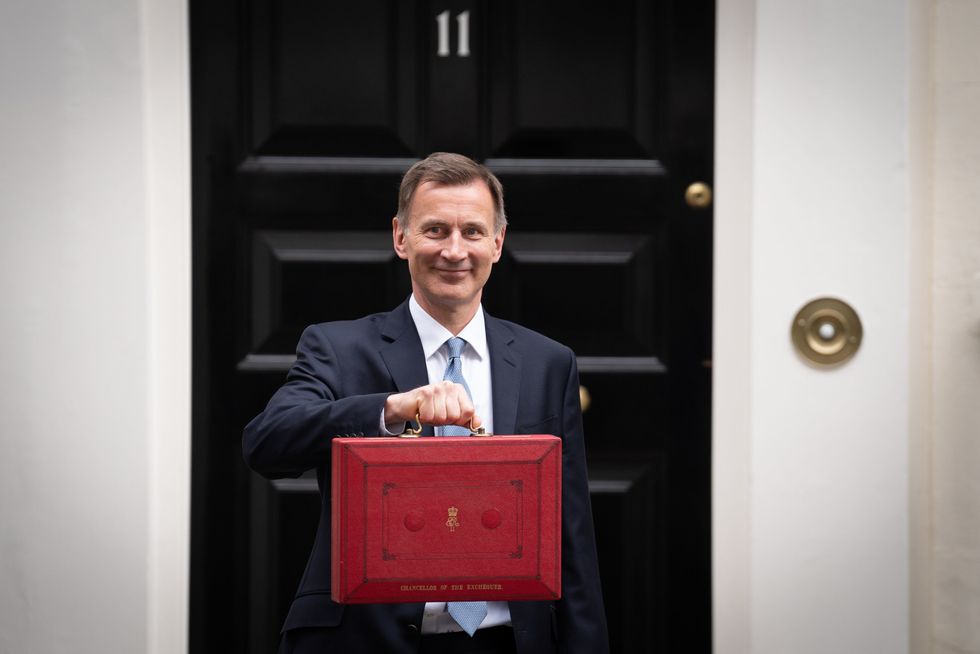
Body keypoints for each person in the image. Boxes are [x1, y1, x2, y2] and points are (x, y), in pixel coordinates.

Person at [243, 152, 609, 654]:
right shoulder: (337, 347)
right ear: (401, 237)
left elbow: (572, 534)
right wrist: (390, 410)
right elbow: (266, 443)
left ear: (498, 243)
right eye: (435, 230)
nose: (454, 251)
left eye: (473, 232)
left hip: (509, 640)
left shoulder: (548, 361)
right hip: (365, 641)